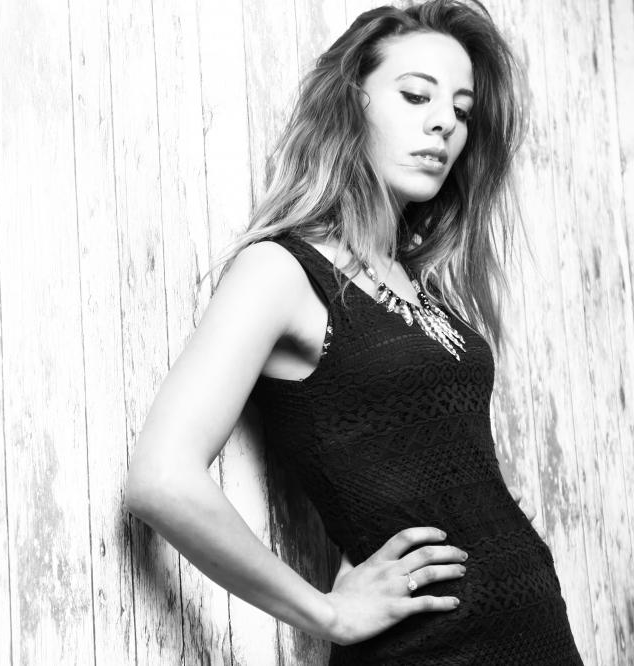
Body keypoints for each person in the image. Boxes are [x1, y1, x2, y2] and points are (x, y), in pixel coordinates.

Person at [122, 0, 583, 663]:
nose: (443, 124)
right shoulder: (282, 271)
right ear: (350, 103)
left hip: (535, 634)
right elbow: (161, 478)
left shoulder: (418, 285)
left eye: (461, 111)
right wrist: (328, 612)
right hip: (432, 648)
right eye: (416, 95)